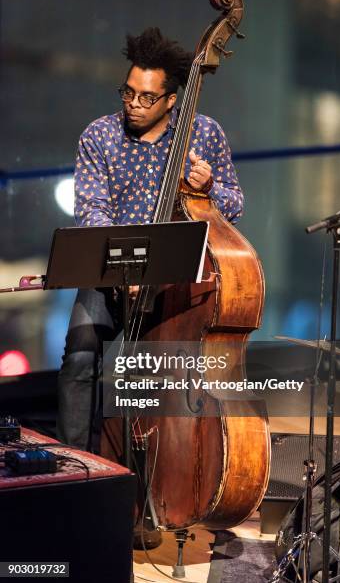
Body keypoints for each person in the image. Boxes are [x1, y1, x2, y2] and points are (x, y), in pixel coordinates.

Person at [56, 27, 244, 453]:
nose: (133, 105)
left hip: (175, 279)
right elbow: (90, 212)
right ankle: (73, 465)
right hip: (109, 270)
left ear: (170, 100)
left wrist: (209, 187)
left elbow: (235, 205)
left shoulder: (205, 133)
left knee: (164, 374)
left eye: (145, 97)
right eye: (127, 93)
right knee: (80, 357)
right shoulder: (99, 135)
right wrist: (127, 269)